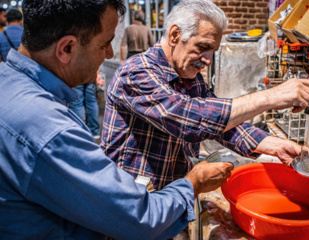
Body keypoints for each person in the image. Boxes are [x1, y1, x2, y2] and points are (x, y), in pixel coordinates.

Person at [0, 0, 234, 239]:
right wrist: (193, 183)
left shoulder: (10, 84)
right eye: (105, 44)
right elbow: (141, 218)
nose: (111, 53)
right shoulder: (47, 128)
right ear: (67, 48)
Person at [101, 0, 309, 190]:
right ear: (175, 35)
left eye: (212, 51)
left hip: (169, 200)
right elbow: (189, 118)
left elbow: (219, 123)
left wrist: (271, 144)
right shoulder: (136, 72)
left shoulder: (189, 77)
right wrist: (270, 97)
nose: (208, 60)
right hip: (131, 204)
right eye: (203, 47)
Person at [69, 68, 104, 140]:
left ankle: (80, 132)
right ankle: (94, 132)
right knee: (91, 101)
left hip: (75, 70)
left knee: (76, 103)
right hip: (90, 71)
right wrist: (97, 74)